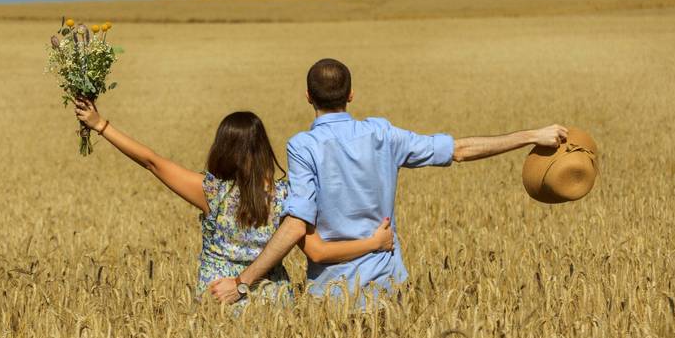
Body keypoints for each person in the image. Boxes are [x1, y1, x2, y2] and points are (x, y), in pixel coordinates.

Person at [210, 58, 568, 305]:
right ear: (351, 95)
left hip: (331, 297)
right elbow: (459, 150)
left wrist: (243, 283)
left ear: (308, 97)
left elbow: (295, 225)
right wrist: (531, 135)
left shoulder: (303, 147)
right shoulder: (383, 135)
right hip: (387, 288)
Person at [73, 100, 395, 301]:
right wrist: (374, 243)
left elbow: (152, 162)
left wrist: (101, 125)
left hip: (218, 301)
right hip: (274, 306)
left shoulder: (212, 192)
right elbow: (319, 251)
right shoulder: (286, 198)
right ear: (263, 147)